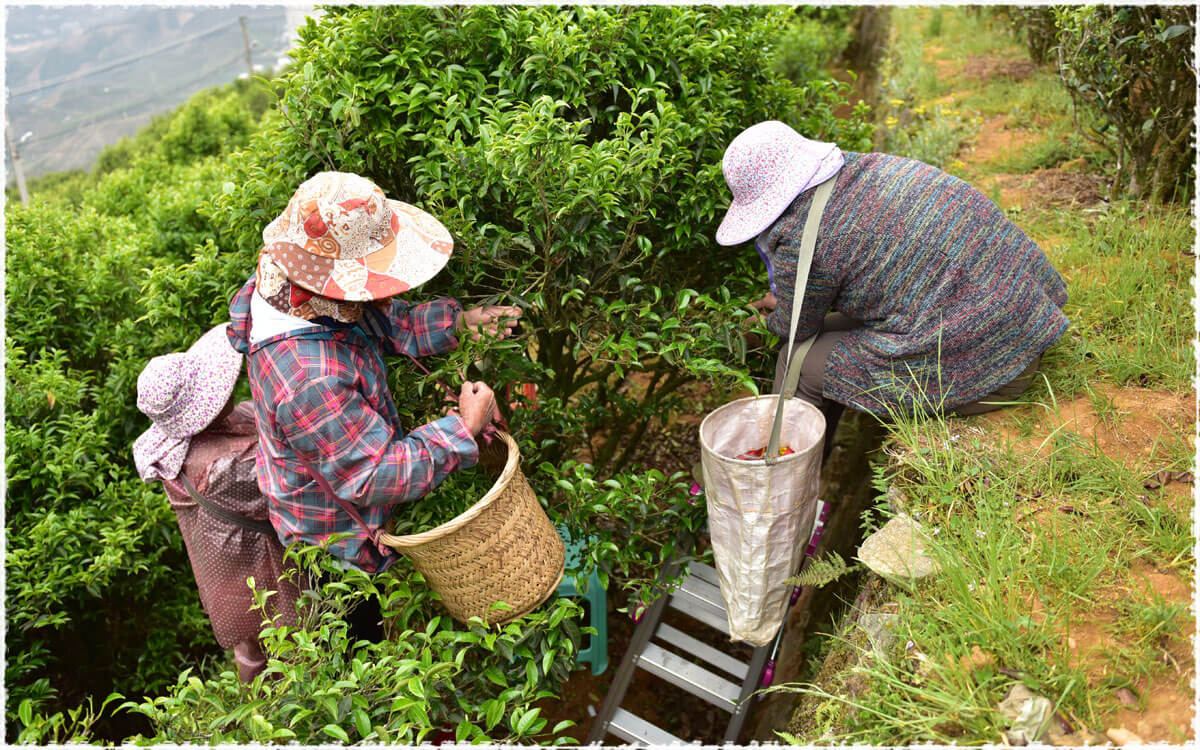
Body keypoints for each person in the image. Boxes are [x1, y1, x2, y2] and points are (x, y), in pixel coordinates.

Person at [224, 172, 521, 636]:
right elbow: (375, 474)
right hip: (335, 540)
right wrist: (463, 427)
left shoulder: (293, 283)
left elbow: (387, 323)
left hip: (340, 486)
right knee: (360, 633)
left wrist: (461, 324)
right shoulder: (309, 379)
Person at [717, 121, 1069, 460]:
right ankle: (805, 468)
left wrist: (764, 321)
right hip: (1024, 324)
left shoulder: (803, 235)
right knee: (831, 333)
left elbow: (796, 327)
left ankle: (783, 482)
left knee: (795, 361)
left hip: (994, 371)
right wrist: (790, 304)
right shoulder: (870, 168)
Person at [133, 324, 301, 682]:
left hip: (224, 573)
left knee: (251, 653)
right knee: (291, 648)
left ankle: (259, 720)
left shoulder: (174, 447)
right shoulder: (223, 466)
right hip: (263, 571)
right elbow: (292, 476)